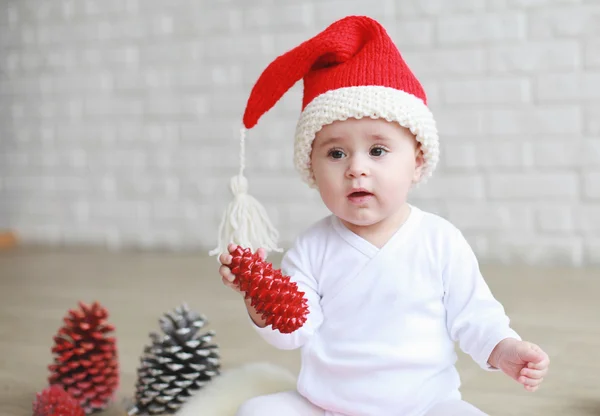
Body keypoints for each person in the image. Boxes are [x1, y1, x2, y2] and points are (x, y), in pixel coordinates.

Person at [212, 15, 550, 416]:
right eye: (336, 153)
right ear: (312, 168)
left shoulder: (439, 240)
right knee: (258, 411)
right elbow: (295, 330)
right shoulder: (312, 247)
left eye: (377, 150)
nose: (356, 168)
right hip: (327, 406)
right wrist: (261, 294)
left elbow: (475, 315)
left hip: (424, 406)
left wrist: (505, 350)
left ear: (417, 163)